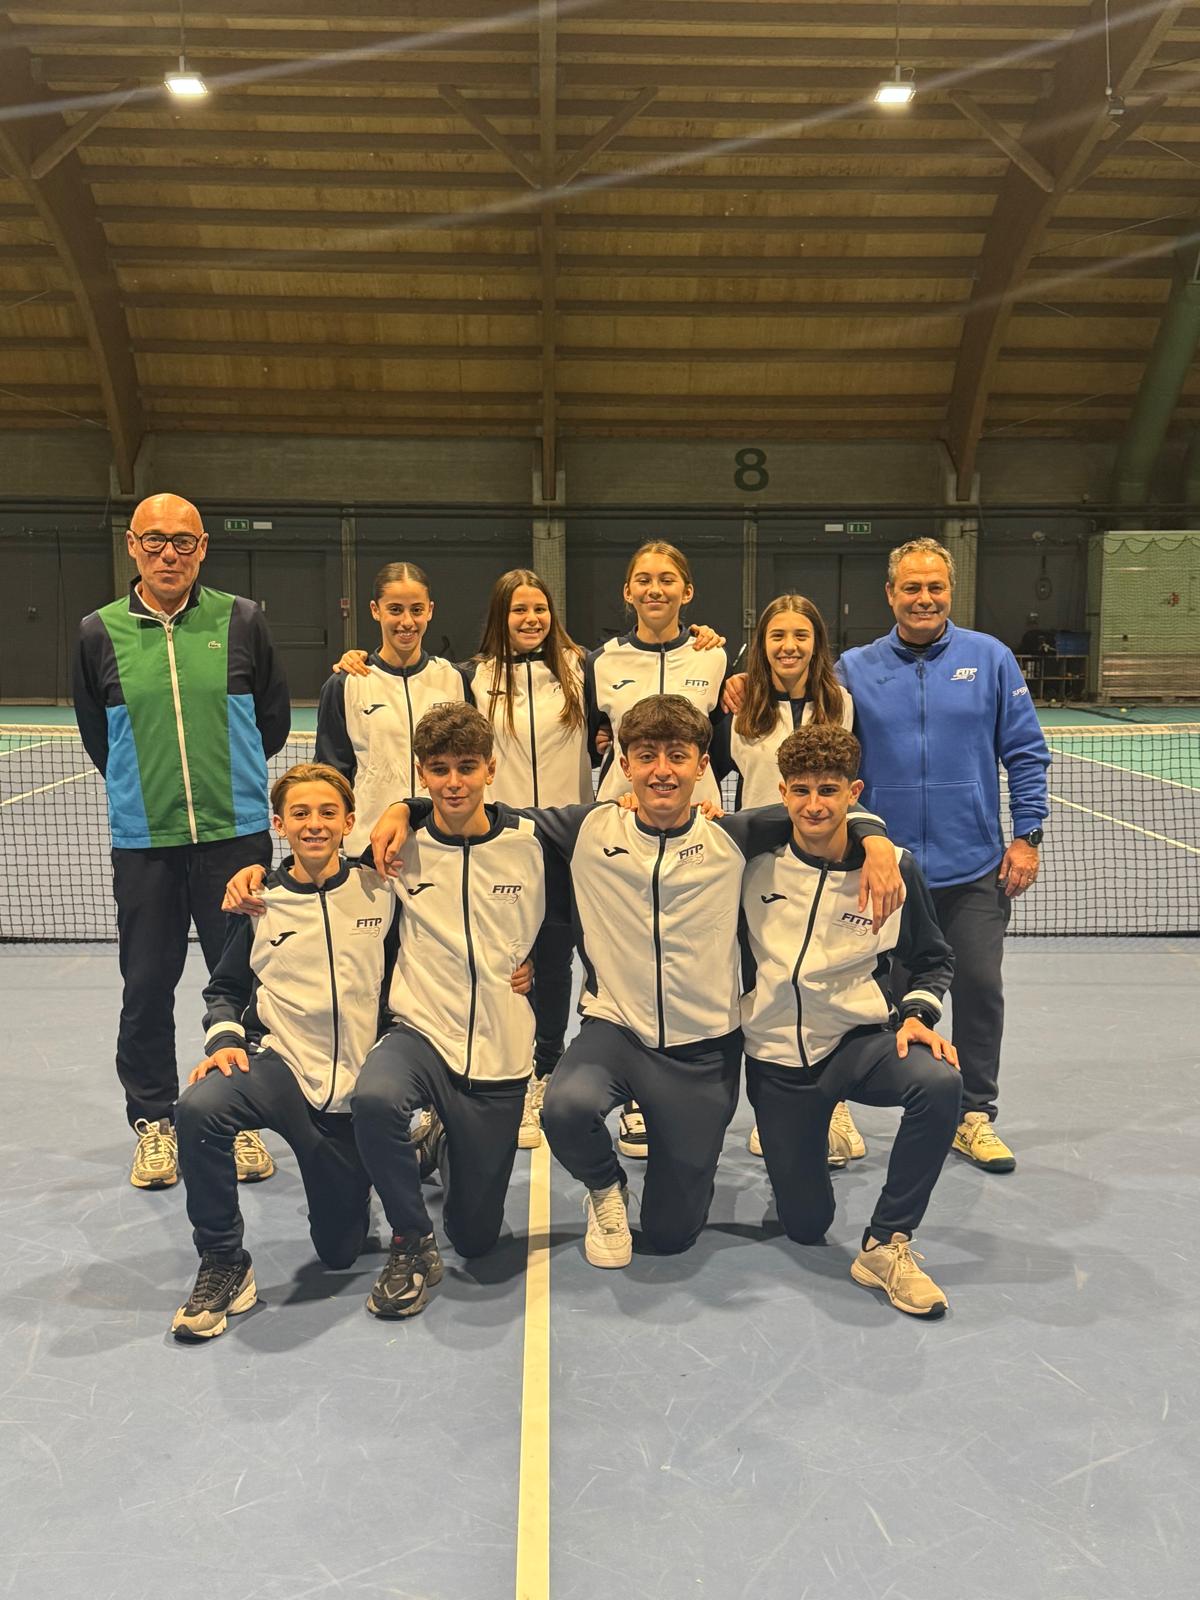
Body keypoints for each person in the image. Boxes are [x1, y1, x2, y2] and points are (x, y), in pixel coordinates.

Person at [370, 695, 903, 1271]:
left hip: (703, 1050)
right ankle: (605, 1187)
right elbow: (477, 809)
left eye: (678, 756)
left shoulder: (737, 834)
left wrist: (874, 838)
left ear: (703, 765)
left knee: (672, 1234)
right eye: (646, 756)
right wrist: (405, 808)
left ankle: (678, 1186)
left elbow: (826, 807)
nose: (661, 771)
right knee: (564, 1108)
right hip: (616, 1032)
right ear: (625, 764)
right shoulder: (588, 828)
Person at [73, 492, 289, 1190]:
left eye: (184, 541)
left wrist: (231, 784)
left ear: (203, 548)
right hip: (146, 843)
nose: (170, 554)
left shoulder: (243, 619)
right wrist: (147, 793)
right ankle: (155, 1122)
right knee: (146, 986)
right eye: (155, 540)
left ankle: (241, 1115)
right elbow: (98, 735)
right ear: (132, 546)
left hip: (236, 838)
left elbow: (272, 721)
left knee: (246, 984)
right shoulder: (98, 632)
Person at [835, 539, 1050, 1172]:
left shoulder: (991, 658)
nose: (924, 598)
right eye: (911, 587)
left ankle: (974, 1114)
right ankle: (834, 1108)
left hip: (973, 869)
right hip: (886, 871)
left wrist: (1027, 835)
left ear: (950, 591)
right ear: (890, 594)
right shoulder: (854, 668)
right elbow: (822, 745)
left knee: (980, 990)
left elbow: (1026, 752)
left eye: (935, 587)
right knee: (869, 999)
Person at [741, 724, 962, 1317]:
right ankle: (809, 1138)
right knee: (805, 1225)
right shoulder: (751, 863)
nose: (814, 804)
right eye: (801, 790)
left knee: (939, 1083)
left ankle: (886, 1243)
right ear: (783, 792)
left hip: (857, 1044)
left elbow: (933, 958)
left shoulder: (895, 870)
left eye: (829, 790)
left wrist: (917, 1014)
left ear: (854, 793)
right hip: (778, 1062)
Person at [170, 764, 388, 1342]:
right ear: (278, 824)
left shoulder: (380, 890)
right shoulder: (259, 901)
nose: (314, 824)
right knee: (198, 1108)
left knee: (340, 1252)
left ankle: (405, 1152)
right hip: (282, 1070)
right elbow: (225, 989)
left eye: (327, 813)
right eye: (300, 814)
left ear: (348, 822)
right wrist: (225, 1040)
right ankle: (223, 1261)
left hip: (358, 1089)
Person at [350, 703, 548, 1319]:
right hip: (422, 1030)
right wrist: (257, 877)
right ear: (422, 773)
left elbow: (585, 901)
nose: (454, 782)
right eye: (439, 770)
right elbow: (318, 880)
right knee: (373, 1099)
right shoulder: (395, 848)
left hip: (499, 1050)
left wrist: (538, 963)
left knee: (477, 1237)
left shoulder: (533, 839)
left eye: (467, 767)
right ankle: (411, 1241)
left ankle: (439, 1138)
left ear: (491, 769)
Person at [585, 539, 729, 1160]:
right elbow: (591, 739)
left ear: (686, 591)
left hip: (698, 824)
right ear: (627, 591)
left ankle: (676, 1082)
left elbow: (725, 744)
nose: (655, 589)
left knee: (690, 953)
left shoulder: (716, 655)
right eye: (642, 579)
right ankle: (631, 1096)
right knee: (618, 955)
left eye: (667, 579)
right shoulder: (601, 662)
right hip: (622, 828)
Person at [709, 592, 863, 1167]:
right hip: (757, 874)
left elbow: (852, 786)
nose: (789, 646)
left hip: (827, 871)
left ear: (817, 643)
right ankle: (770, 1112)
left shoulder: (840, 704)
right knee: (764, 992)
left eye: (801, 635)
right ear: (762, 644)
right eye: (777, 636)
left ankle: (832, 1103)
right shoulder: (738, 707)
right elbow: (708, 775)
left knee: (826, 985)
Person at [463, 569, 590, 1149]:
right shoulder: (473, 677)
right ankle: (506, 1066)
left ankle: (547, 1069)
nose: (531, 619)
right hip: (504, 842)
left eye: (540, 608)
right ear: (501, 616)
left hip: (567, 840)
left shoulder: (583, 669)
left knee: (557, 961)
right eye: (519, 610)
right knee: (507, 960)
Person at [316, 561, 466, 859]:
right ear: (376, 610)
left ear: (430, 611)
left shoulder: (455, 679)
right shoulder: (345, 684)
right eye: (395, 610)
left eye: (416, 610)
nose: (407, 621)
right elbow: (331, 776)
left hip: (442, 846)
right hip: (369, 847)